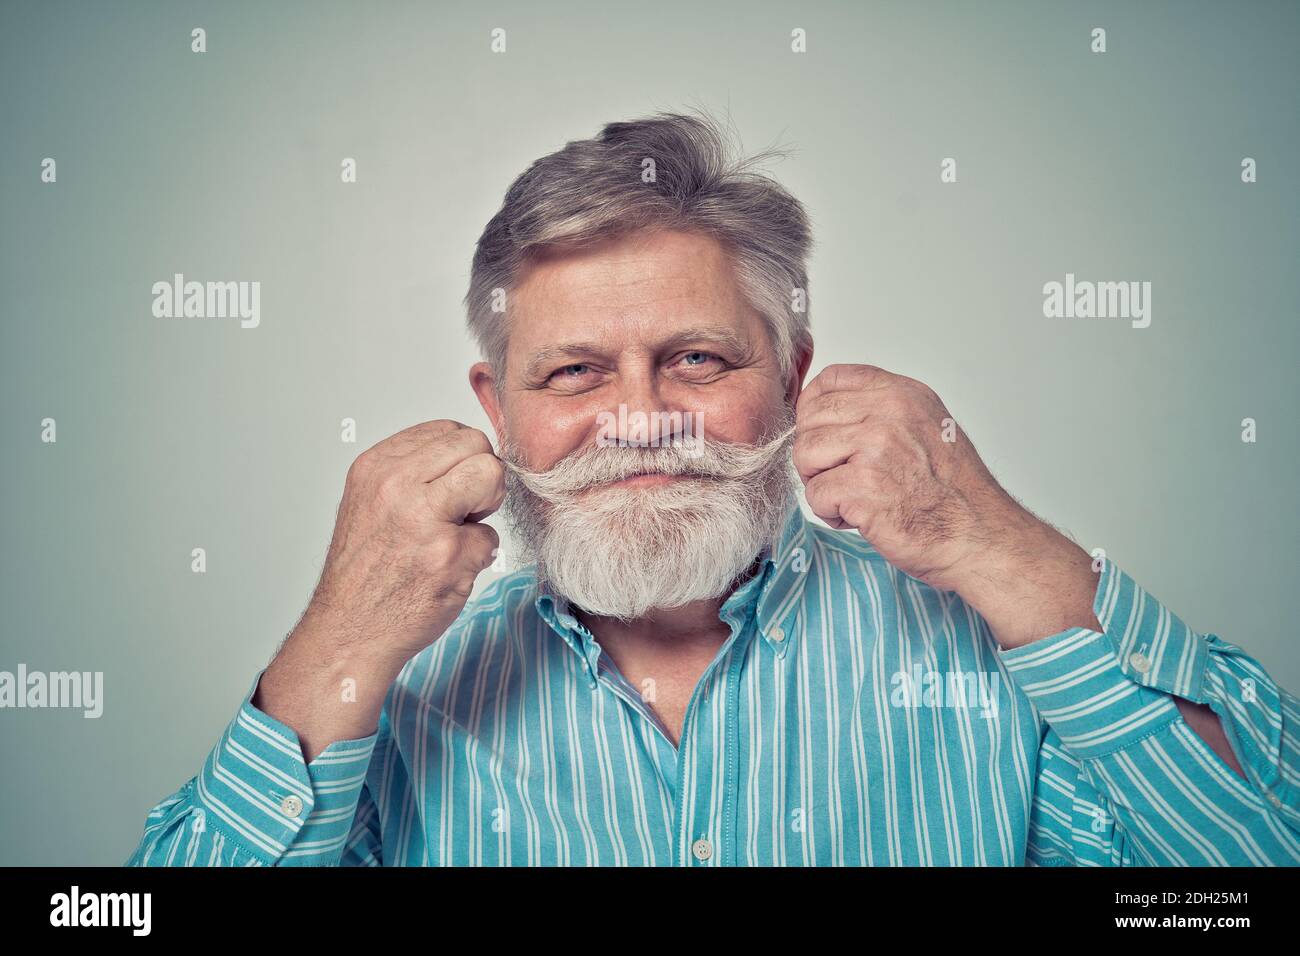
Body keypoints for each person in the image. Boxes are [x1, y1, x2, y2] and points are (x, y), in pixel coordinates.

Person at [127, 112, 1299, 866]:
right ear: (498, 412)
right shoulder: (397, 698)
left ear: (792, 376)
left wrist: (997, 546)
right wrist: (337, 637)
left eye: (696, 358)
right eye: (575, 371)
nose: (637, 415)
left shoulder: (987, 656)